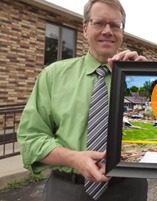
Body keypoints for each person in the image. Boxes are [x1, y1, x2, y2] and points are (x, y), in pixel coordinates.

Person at [17, 0, 148, 200]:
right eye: (99, 23)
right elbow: (30, 139)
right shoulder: (53, 75)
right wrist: (74, 159)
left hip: (128, 189)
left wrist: (150, 79)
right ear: (85, 29)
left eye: (115, 25)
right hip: (66, 189)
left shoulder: (135, 79)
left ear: (122, 33)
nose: (107, 31)